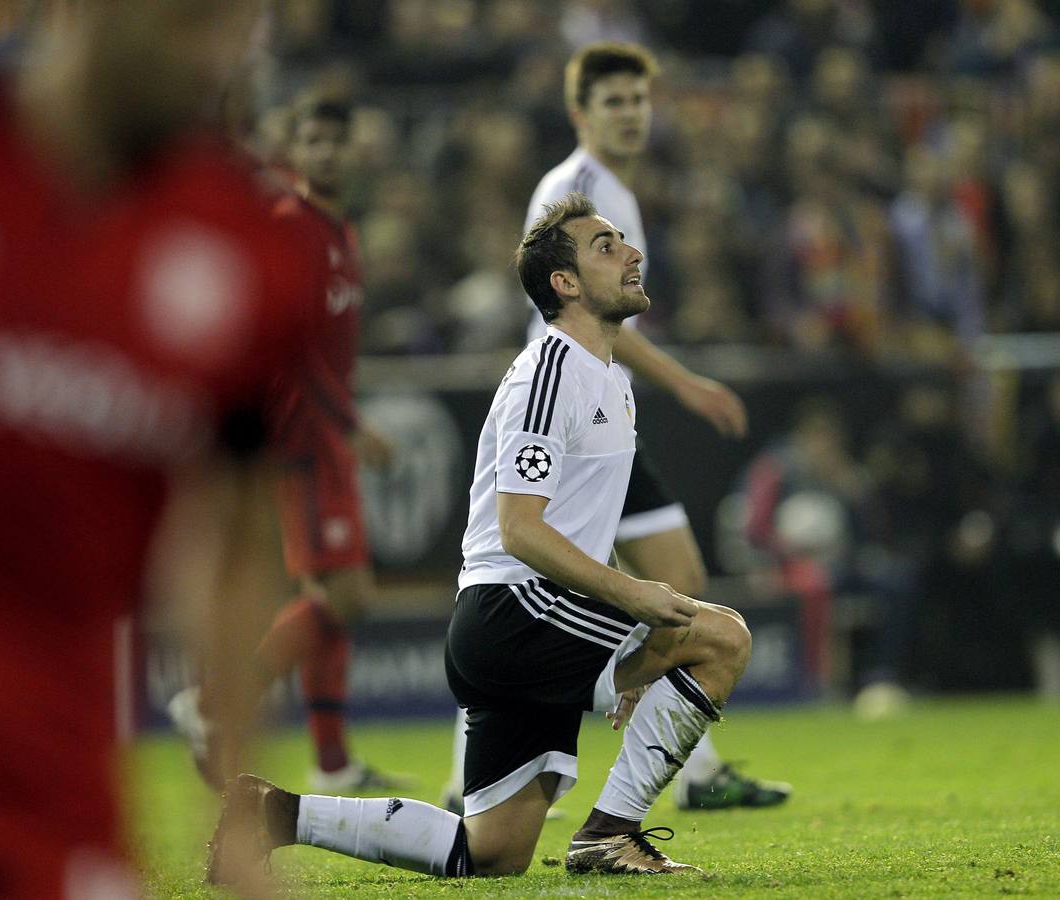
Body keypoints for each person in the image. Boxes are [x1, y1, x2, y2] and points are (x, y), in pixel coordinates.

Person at [0, 3, 333, 896]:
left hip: (43, 777)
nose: (213, 60)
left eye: (236, 33)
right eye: (188, 23)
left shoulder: (257, 258)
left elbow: (239, 540)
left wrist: (238, 813)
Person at [206, 193, 752, 889]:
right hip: (519, 611)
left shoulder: (611, 381)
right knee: (724, 637)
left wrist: (624, 639)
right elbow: (520, 529)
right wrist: (633, 602)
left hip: (521, 623)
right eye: (607, 245)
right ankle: (612, 836)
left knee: (490, 853)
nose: (632, 252)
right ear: (566, 283)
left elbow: (577, 521)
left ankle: (276, 815)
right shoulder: (550, 370)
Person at [443, 40, 789, 813]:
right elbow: (565, 296)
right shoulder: (574, 191)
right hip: (574, 421)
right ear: (581, 112)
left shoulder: (615, 196)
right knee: (644, 590)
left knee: (673, 590)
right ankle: (651, 783)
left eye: (640, 100)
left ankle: (677, 768)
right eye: (615, 102)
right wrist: (688, 382)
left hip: (605, 412)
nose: (632, 115)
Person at [168, 95, 408, 793]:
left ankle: (331, 764)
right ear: (295, 150)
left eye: (338, 140)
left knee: (328, 598)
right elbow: (295, 349)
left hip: (323, 435)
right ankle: (213, 704)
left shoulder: (342, 231)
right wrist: (354, 426)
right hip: (302, 437)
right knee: (349, 594)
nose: (327, 152)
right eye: (314, 140)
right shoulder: (292, 228)